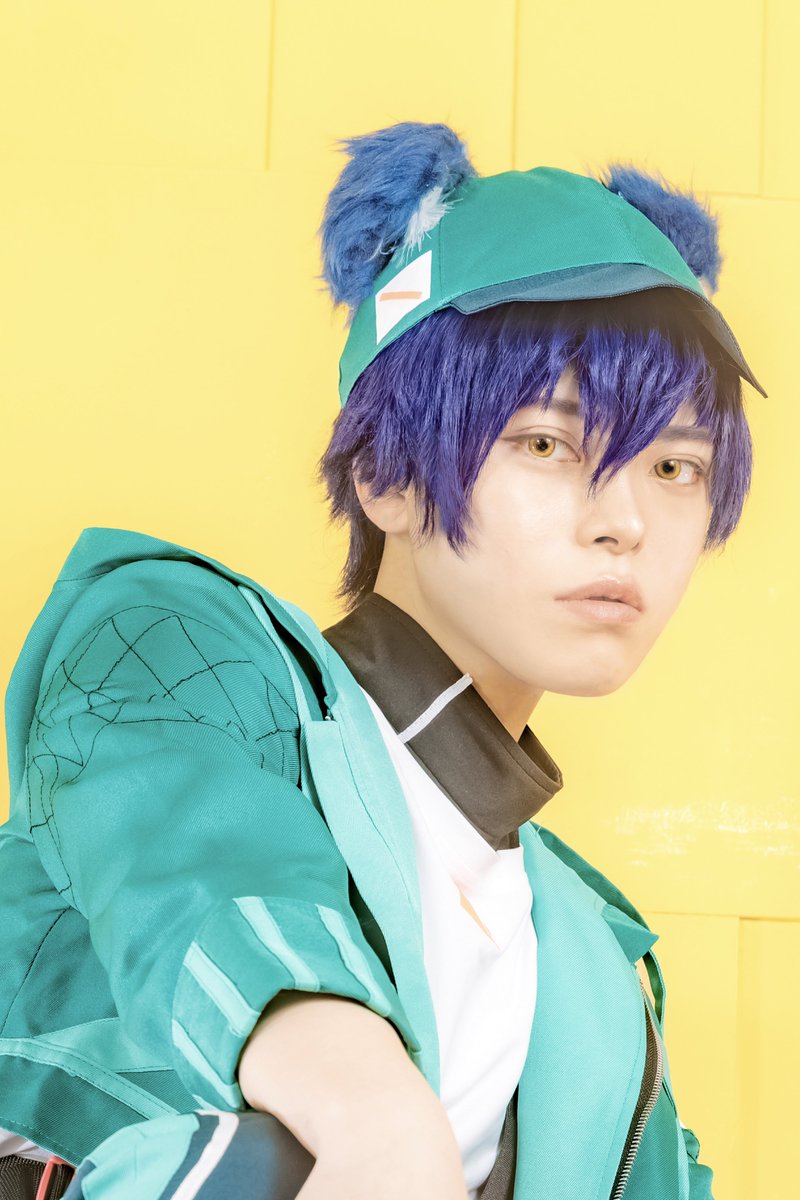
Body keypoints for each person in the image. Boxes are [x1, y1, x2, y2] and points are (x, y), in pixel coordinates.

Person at [0, 120, 766, 1200]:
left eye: (675, 467)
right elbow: (189, 860)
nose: (624, 521)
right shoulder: (180, 650)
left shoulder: (592, 962)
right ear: (387, 478)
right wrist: (375, 1120)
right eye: (546, 443)